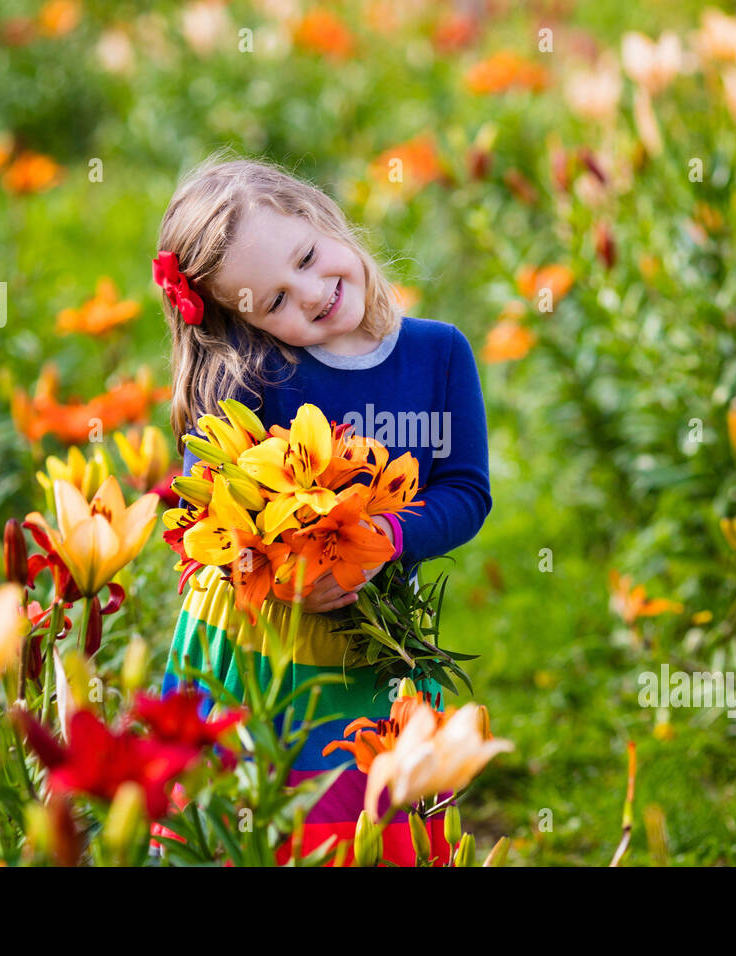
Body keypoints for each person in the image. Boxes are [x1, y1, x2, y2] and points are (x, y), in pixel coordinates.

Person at [150, 152, 491, 865]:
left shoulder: (440, 354)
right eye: (273, 300)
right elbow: (206, 513)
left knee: (369, 816)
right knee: (261, 816)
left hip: (375, 634)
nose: (309, 293)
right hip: (259, 643)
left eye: (307, 258)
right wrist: (282, 571)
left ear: (322, 217)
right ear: (246, 320)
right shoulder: (255, 375)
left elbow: (465, 492)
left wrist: (381, 537)